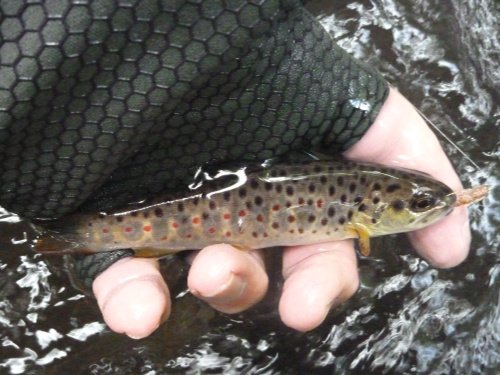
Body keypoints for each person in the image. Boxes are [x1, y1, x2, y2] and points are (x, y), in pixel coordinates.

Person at [0, 1, 470, 339]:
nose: (430, 206)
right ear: (369, 215)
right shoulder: (361, 219)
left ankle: (86, 232)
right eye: (419, 204)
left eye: (421, 203)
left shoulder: (362, 201)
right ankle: (84, 233)